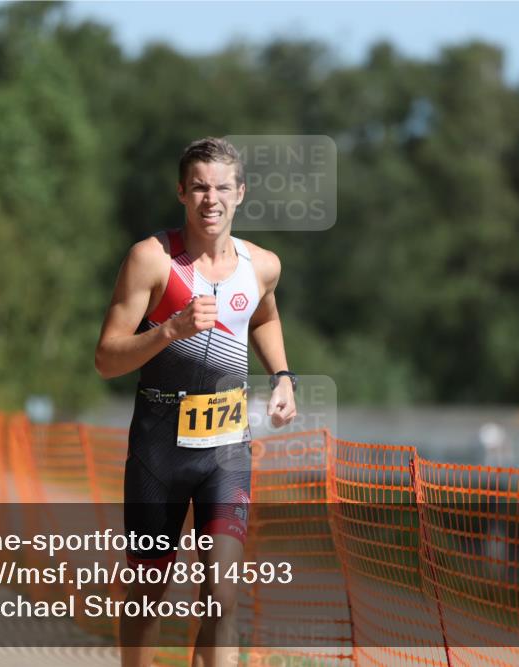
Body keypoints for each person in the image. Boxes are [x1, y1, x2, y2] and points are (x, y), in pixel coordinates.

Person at [94, 137, 297, 667]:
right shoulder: (152, 260)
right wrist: (169, 331)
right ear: (182, 192)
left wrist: (282, 376)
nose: (212, 199)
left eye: (223, 188)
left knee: (222, 596)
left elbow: (265, 316)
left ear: (241, 193)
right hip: (158, 451)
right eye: (200, 187)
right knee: (147, 592)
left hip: (226, 451)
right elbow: (107, 359)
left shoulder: (262, 266)